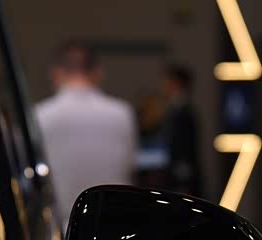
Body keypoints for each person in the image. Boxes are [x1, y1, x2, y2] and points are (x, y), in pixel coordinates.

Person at [35, 42, 137, 230]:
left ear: (56, 73)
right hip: (115, 225)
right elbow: (130, 165)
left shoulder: (40, 116)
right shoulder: (122, 114)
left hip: (59, 229)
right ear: (98, 73)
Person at [162, 64, 203, 197]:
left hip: (182, 181)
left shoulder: (184, 113)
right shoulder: (176, 110)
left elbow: (185, 149)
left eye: (168, 81)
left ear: (177, 83)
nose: (164, 86)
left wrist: (183, 179)